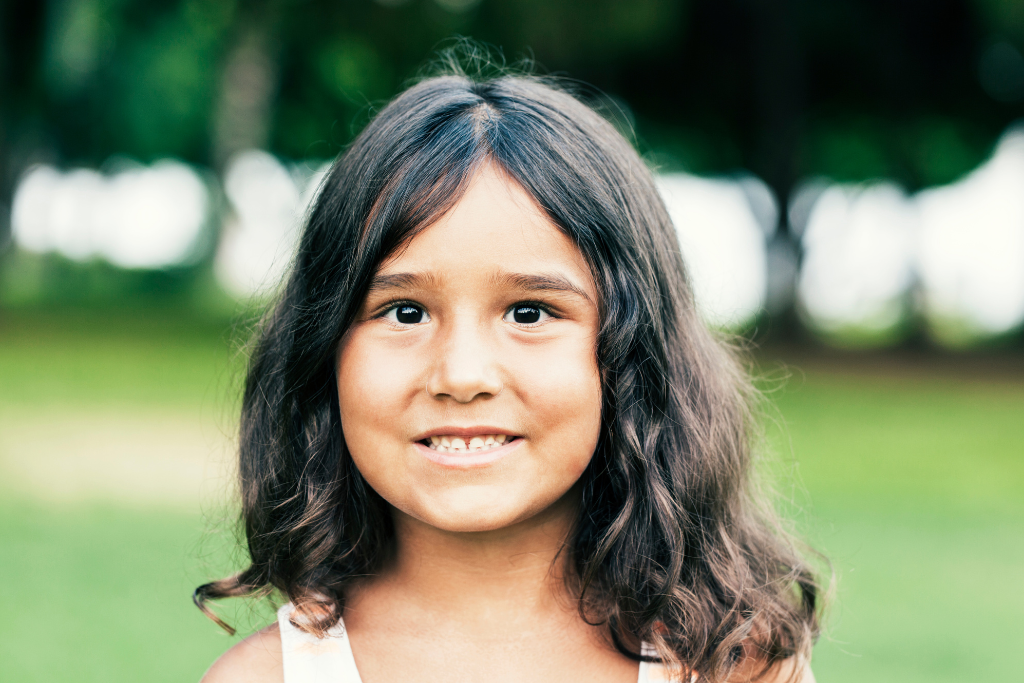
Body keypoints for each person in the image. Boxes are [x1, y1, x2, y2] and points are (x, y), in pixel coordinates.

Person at [195, 65, 822, 683]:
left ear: (636, 355)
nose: (462, 375)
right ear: (322, 350)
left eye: (529, 312)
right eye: (405, 312)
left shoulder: (734, 668)